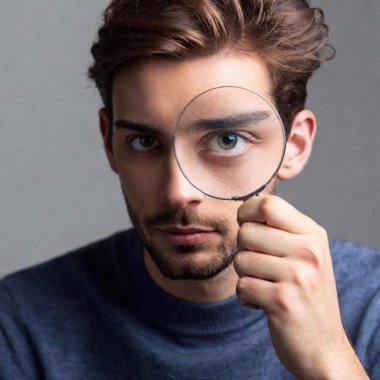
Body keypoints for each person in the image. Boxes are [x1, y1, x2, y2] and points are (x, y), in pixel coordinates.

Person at [1, 0, 379, 378]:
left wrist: (330, 361)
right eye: (145, 142)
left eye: (227, 141)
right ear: (108, 141)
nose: (179, 192)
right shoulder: (18, 325)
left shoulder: (372, 307)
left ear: (293, 145)